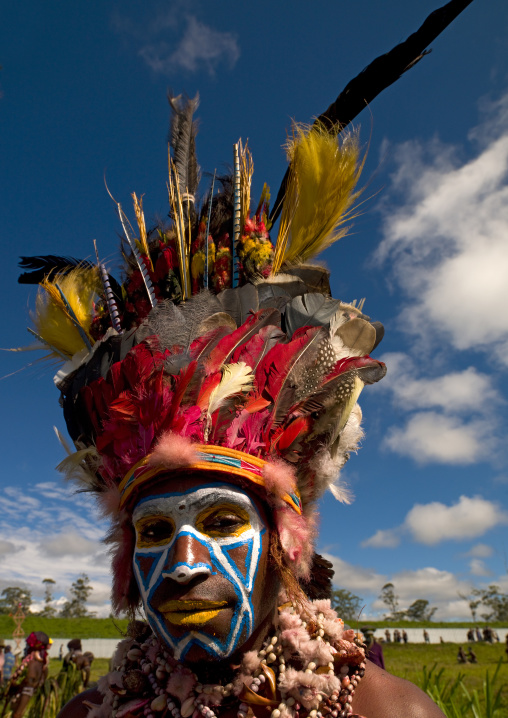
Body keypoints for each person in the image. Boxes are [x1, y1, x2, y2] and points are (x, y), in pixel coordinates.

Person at [15, 6, 473, 718]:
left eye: (223, 522)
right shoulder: (90, 713)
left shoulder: (387, 710)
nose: (184, 565)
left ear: (286, 545)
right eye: (155, 532)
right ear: (125, 567)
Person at [6, 632, 51, 718]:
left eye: (27, 646)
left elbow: (30, 679)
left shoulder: (32, 662)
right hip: (31, 691)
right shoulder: (41, 663)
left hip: (26, 692)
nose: (25, 648)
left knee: (17, 715)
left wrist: (17, 682)